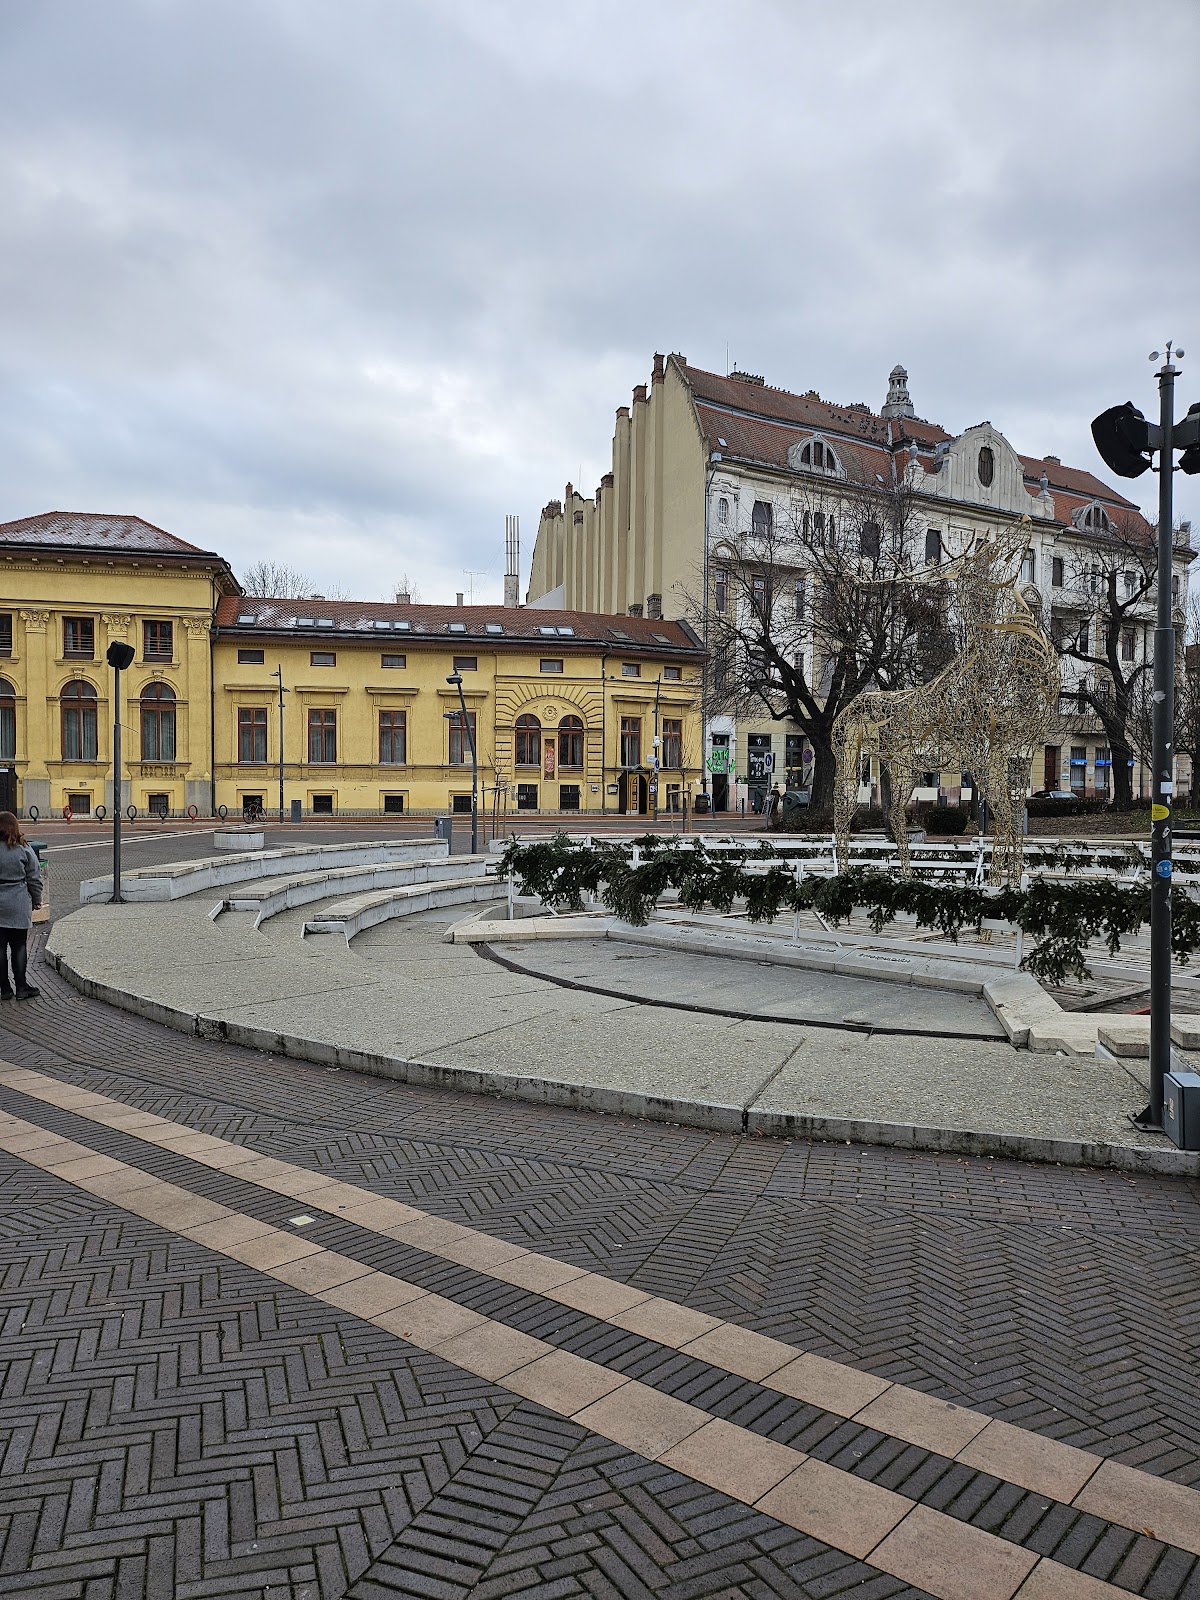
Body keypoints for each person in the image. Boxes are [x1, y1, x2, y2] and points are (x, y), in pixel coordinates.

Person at [0, 811, 42, 1000]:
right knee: (19, 945)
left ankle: (4, 989)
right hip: (18, 902)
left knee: (0, 948)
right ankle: (21, 987)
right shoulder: (23, 848)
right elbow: (34, 877)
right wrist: (36, 899)